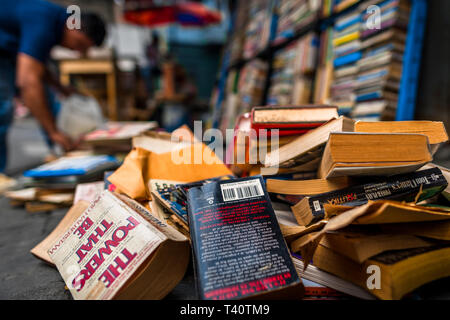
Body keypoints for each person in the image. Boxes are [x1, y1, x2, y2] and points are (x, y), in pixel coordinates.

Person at [0, 0, 106, 172]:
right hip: (3, 53)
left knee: (48, 98)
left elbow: (38, 65)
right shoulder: (42, 22)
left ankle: (64, 153)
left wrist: (60, 87)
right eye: (79, 45)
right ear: (74, 28)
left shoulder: (55, 22)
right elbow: (28, 81)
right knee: (2, 110)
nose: (76, 51)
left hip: (9, 53)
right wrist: (53, 132)